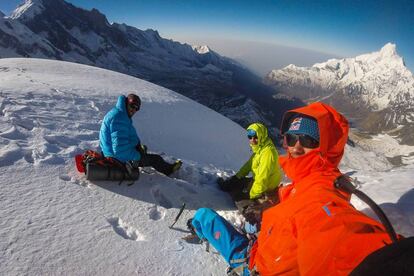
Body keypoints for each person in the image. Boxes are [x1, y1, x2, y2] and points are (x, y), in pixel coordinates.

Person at [189, 102, 400, 275]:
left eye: (309, 140)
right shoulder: (306, 181)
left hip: (254, 263)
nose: (296, 147)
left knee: (203, 216)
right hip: (265, 245)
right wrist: (271, 203)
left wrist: (394, 263)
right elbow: (295, 195)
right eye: (291, 138)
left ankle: (195, 227)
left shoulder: (320, 194)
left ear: (327, 147)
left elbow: (337, 235)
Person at [99, 93, 182, 176]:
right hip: (117, 158)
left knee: (142, 149)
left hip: (111, 152)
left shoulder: (120, 113)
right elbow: (119, 149)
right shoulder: (119, 118)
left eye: (137, 108)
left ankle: (140, 152)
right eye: (132, 105)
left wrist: (137, 146)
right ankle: (169, 170)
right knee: (156, 159)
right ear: (126, 103)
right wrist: (137, 156)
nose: (134, 109)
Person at [218, 123, 282, 213]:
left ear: (261, 136)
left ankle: (250, 211)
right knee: (239, 182)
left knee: (239, 197)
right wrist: (236, 177)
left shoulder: (268, 153)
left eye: (256, 137)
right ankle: (227, 185)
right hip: (259, 182)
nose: (252, 140)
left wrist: (251, 194)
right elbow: (249, 165)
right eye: (250, 137)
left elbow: (262, 179)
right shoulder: (260, 148)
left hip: (267, 187)